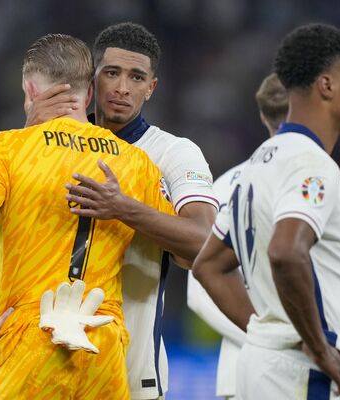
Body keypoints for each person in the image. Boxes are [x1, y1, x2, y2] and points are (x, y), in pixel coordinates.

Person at [0, 33, 173, 398]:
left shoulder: (7, 148)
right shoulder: (137, 163)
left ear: (30, 91)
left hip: (28, 340)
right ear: (90, 94)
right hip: (103, 344)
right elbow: (183, 246)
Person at [26, 22, 218, 400]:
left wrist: (122, 208)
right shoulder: (48, 144)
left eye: (136, 77)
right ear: (91, 79)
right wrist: (29, 136)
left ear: (152, 87)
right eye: (111, 72)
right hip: (43, 357)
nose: (122, 88)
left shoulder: (173, 154)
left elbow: (203, 242)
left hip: (132, 367)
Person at [193, 23, 340, 399]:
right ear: (326, 85)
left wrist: (265, 331)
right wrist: (318, 345)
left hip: (262, 363)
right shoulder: (311, 163)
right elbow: (286, 251)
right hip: (301, 373)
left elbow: (208, 264)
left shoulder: (257, 163)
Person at [186, 72, 288, 399]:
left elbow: (198, 290)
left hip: (257, 368)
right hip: (269, 365)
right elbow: (199, 288)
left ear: (261, 115)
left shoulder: (227, 185)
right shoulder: (320, 181)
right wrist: (272, 342)